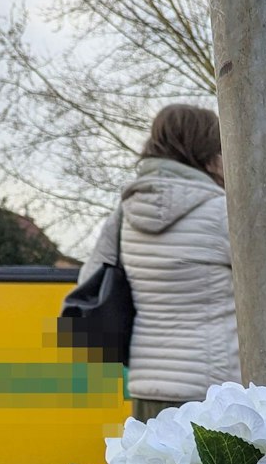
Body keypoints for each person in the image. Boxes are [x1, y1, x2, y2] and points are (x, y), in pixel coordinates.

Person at [88, 104, 240, 421]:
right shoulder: (221, 212)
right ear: (207, 152)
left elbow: (90, 278)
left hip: (148, 385)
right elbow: (262, 290)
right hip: (211, 390)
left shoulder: (125, 214)